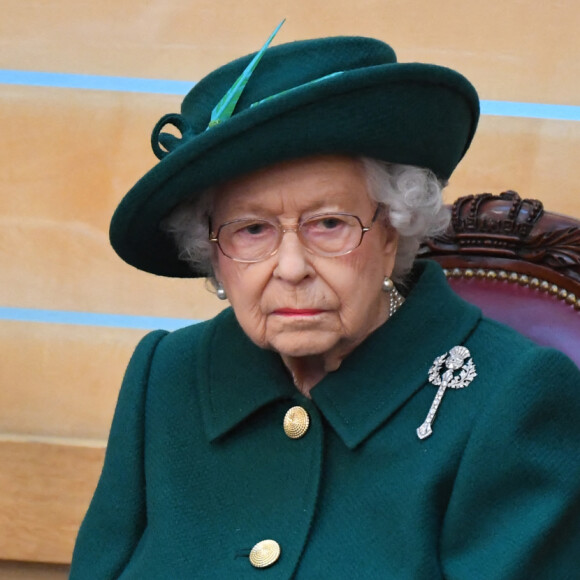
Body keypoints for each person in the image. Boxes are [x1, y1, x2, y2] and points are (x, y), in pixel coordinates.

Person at [70, 25, 580, 579]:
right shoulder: (166, 375)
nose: (290, 267)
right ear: (212, 252)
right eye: (251, 230)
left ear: (392, 234)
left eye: (329, 224)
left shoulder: (511, 396)